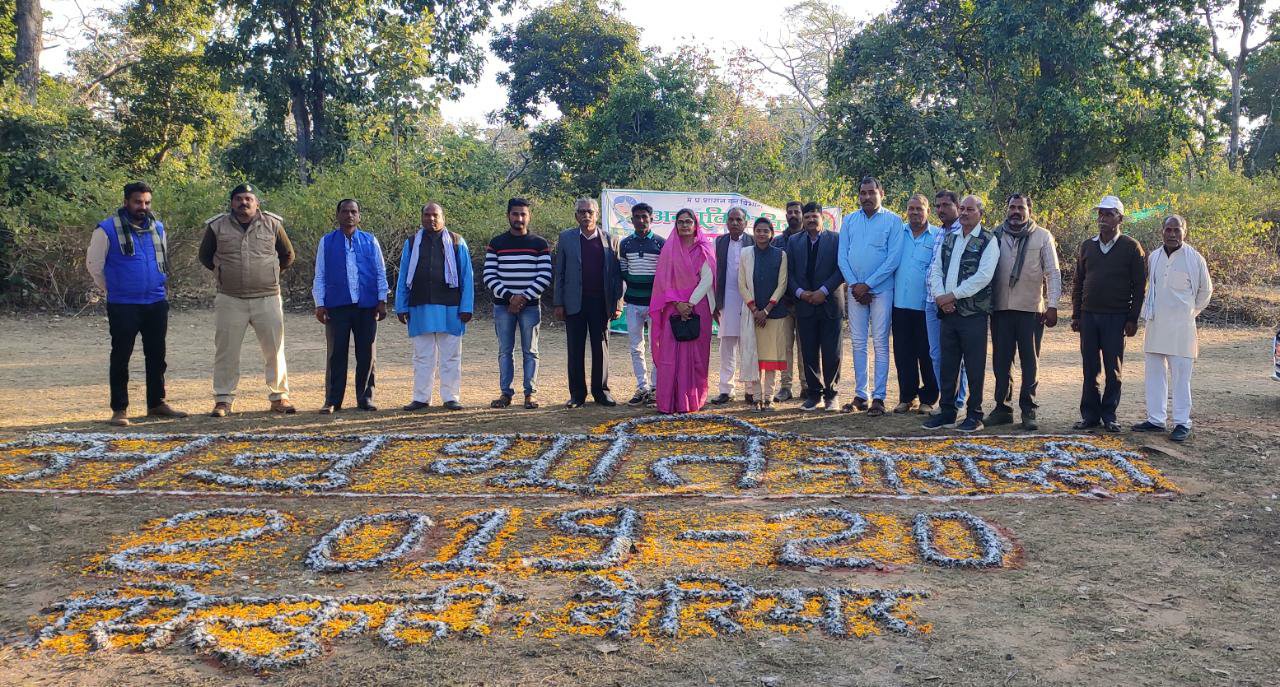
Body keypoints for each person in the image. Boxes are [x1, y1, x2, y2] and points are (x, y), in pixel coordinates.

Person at [86, 181, 188, 426]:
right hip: (123, 304)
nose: (143, 207)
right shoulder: (106, 230)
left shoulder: (158, 228)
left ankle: (156, 403)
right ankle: (119, 409)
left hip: (155, 301)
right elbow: (94, 266)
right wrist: (115, 289)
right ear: (126, 202)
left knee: (157, 355)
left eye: (147, 202)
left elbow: (162, 260)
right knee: (121, 356)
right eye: (138, 202)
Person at [199, 183, 296, 417]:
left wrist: (267, 273)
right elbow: (205, 257)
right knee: (226, 351)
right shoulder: (217, 226)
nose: (244, 203)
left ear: (256, 203)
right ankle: (223, 400)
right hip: (230, 299)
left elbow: (287, 255)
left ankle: (279, 397)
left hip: (268, 297)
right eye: (239, 199)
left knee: (275, 350)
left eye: (248, 199)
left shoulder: (273, 224)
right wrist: (225, 273)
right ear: (232, 203)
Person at [923, 195, 1000, 432]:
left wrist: (952, 296)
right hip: (947, 313)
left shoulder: (988, 240)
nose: (965, 213)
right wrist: (940, 298)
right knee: (948, 365)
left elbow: (983, 277)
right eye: (963, 209)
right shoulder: (949, 238)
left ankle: (974, 415)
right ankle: (947, 412)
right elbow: (936, 269)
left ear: (980, 214)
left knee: (974, 366)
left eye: (970, 209)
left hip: (973, 314)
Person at [1132, 215, 1212, 442]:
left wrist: (1189, 313)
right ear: (1162, 231)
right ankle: (1156, 420)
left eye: (1177, 230)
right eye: (1169, 230)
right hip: (1156, 323)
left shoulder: (1194, 259)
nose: (1173, 234)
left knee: (1180, 377)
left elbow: (1205, 292)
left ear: (1184, 231)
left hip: (1182, 327)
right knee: (1154, 373)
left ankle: (1181, 422)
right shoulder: (1154, 257)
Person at [1071, 195, 1146, 432]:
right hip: (1089, 315)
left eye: (1108, 214)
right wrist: (1076, 315)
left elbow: (1139, 286)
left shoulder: (1131, 247)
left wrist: (1132, 318)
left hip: (1117, 317)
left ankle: (1110, 415)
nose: (1102, 219)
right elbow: (1078, 283)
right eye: (1100, 214)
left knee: (1113, 368)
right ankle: (1090, 415)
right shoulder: (1087, 246)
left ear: (1119, 218)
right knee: (1089, 367)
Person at [988, 194, 1061, 431]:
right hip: (1000, 308)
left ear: (1029, 210)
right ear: (1006, 210)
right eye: (1012, 207)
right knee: (1001, 361)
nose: (1016, 212)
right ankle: (1003, 409)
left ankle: (1029, 410)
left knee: (1029, 361)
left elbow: (1053, 272)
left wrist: (1052, 305)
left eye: (1021, 207)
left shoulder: (1042, 236)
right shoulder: (995, 235)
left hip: (1031, 310)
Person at [312, 199, 388, 413]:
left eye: (353, 211)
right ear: (338, 215)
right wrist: (320, 304)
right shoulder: (326, 242)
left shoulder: (370, 241)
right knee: (337, 354)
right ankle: (333, 400)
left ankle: (365, 398)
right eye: (345, 211)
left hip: (366, 305)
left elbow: (381, 272)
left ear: (359, 216)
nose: (349, 215)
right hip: (338, 306)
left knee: (366, 354)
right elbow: (320, 275)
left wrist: (382, 300)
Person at [396, 203, 474, 411]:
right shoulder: (412, 243)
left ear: (443, 218)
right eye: (427, 215)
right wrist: (401, 306)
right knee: (423, 356)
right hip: (420, 306)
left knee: (451, 356)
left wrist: (467, 306)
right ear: (421, 218)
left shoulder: (457, 242)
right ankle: (421, 397)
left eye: (435, 215)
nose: (431, 219)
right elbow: (404, 275)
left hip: (451, 307)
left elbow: (467, 276)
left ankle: (450, 397)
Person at [838, 176, 905, 416]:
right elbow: (842, 257)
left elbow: (893, 259)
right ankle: (860, 395)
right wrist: (855, 285)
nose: (866, 197)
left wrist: (868, 285)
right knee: (857, 342)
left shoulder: (894, 221)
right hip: (855, 291)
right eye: (863, 193)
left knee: (879, 343)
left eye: (871, 192)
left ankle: (879, 396)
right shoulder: (849, 220)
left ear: (881, 193)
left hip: (882, 290)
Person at [553, 198, 624, 408]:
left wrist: (618, 303)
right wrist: (558, 303)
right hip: (574, 302)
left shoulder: (611, 240)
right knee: (575, 348)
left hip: (601, 303)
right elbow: (560, 272)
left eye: (590, 212)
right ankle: (577, 394)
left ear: (597, 215)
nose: (586, 215)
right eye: (582, 212)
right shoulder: (566, 238)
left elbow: (617, 277)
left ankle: (601, 392)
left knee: (601, 348)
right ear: (576, 216)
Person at [484, 198, 552, 410]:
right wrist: (509, 298)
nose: (519, 218)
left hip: (530, 307)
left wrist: (522, 298)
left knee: (530, 351)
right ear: (508, 216)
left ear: (529, 216)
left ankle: (530, 393)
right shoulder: (496, 243)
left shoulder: (539, 244)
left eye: (523, 214)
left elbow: (545, 275)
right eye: (515, 214)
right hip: (503, 306)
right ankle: (506, 393)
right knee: (505, 351)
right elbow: (489, 274)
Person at [649, 208, 716, 413]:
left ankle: (692, 400)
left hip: (698, 308)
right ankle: (669, 401)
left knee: (696, 354)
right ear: (676, 225)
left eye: (689, 222)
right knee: (670, 354)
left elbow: (708, 279)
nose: (685, 225)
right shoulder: (669, 249)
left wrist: (690, 303)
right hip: (672, 308)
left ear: (696, 225)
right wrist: (678, 303)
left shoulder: (704, 248)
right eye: (681, 222)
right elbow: (663, 281)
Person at [787, 201, 846, 411]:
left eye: (815, 216)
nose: (811, 219)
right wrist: (801, 293)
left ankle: (832, 394)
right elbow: (790, 272)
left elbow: (841, 269)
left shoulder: (837, 240)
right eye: (808, 216)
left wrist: (823, 291)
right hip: (804, 304)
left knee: (832, 352)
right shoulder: (794, 242)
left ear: (823, 218)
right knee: (809, 352)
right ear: (803, 219)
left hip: (830, 303)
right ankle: (814, 394)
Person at [890, 194, 940, 414]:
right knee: (903, 353)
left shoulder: (937, 235)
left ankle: (929, 399)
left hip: (926, 306)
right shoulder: (897, 233)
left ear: (928, 211)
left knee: (927, 353)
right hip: (900, 304)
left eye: (919, 209)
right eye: (911, 208)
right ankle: (907, 397)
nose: (914, 213)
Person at [738, 216, 790, 411]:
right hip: (752, 314)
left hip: (774, 315)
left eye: (765, 231)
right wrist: (754, 309)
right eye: (758, 230)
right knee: (755, 358)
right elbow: (741, 284)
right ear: (754, 232)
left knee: (771, 359)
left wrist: (767, 309)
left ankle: (768, 398)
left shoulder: (781, 255)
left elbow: (782, 284)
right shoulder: (746, 254)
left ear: (771, 234)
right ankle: (756, 398)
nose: (762, 234)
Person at [618, 202, 664, 406]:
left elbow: (664, 274)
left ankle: (655, 388)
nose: (641, 220)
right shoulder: (625, 244)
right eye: (637, 217)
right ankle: (642, 387)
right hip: (633, 304)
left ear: (651, 219)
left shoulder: (662, 243)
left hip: (655, 305)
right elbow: (624, 271)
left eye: (645, 216)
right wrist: (636, 283)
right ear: (632, 220)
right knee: (636, 347)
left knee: (657, 347)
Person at [926, 190, 967, 414]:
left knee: (956, 355)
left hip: (951, 302)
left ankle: (958, 402)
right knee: (936, 354)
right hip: (931, 300)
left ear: (957, 206)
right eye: (938, 206)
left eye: (945, 205)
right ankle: (946, 401)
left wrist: (947, 298)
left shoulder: (964, 231)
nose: (940, 210)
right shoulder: (939, 232)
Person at [710, 207, 754, 405]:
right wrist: (714, 304)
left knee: (748, 345)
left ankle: (751, 390)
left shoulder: (753, 241)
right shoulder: (719, 242)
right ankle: (726, 390)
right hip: (726, 298)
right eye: (731, 219)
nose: (735, 223)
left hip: (749, 301)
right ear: (726, 223)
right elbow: (712, 272)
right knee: (727, 346)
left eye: (739, 219)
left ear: (745, 223)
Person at [771, 200, 807, 402]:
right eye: (790, 212)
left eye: (796, 212)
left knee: (806, 347)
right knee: (784, 347)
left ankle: (806, 386)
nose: (793, 215)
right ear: (785, 216)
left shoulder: (808, 238)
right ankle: (785, 387)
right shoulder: (777, 242)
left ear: (802, 215)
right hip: (784, 304)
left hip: (804, 302)